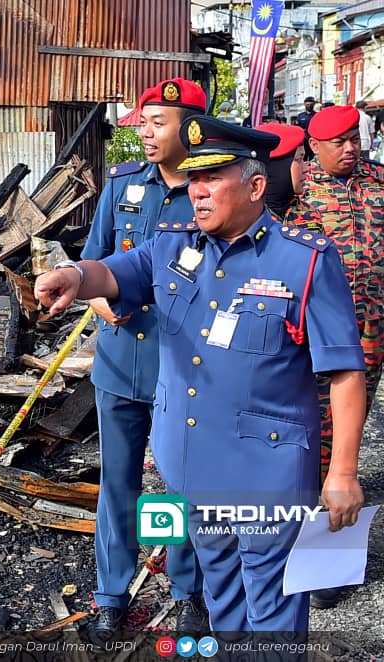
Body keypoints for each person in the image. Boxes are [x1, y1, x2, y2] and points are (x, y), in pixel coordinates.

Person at [35, 115, 366, 636]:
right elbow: (113, 273)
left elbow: (346, 373)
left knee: (274, 606)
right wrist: (75, 276)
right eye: (194, 179)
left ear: (256, 186)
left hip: (267, 476)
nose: (199, 191)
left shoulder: (303, 262)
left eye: (213, 178)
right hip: (192, 469)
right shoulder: (173, 248)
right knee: (223, 597)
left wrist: (342, 472)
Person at [81, 78, 206, 647]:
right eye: (143, 123)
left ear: (192, 126)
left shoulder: (213, 188)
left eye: (159, 122)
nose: (147, 133)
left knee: (178, 485)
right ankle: (111, 594)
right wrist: (104, 301)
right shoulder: (123, 184)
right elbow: (94, 260)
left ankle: (187, 591)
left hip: (185, 368)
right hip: (120, 359)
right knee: (119, 484)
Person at [283, 104, 384, 609]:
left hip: (377, 335)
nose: (349, 148)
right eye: (337, 142)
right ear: (315, 149)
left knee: (353, 443)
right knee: (328, 450)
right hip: (327, 343)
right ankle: (321, 562)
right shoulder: (300, 196)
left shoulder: (380, 182)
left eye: (353, 139)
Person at [257, 123, 306, 219]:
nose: (306, 169)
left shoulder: (309, 213)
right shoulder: (245, 220)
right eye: (298, 159)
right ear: (277, 166)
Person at [297, 96, 318, 160]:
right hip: (303, 140)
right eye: (308, 104)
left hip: (314, 139)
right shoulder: (300, 116)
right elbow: (297, 127)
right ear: (305, 104)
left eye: (311, 104)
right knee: (303, 157)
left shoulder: (317, 115)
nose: (309, 106)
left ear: (314, 104)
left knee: (313, 157)